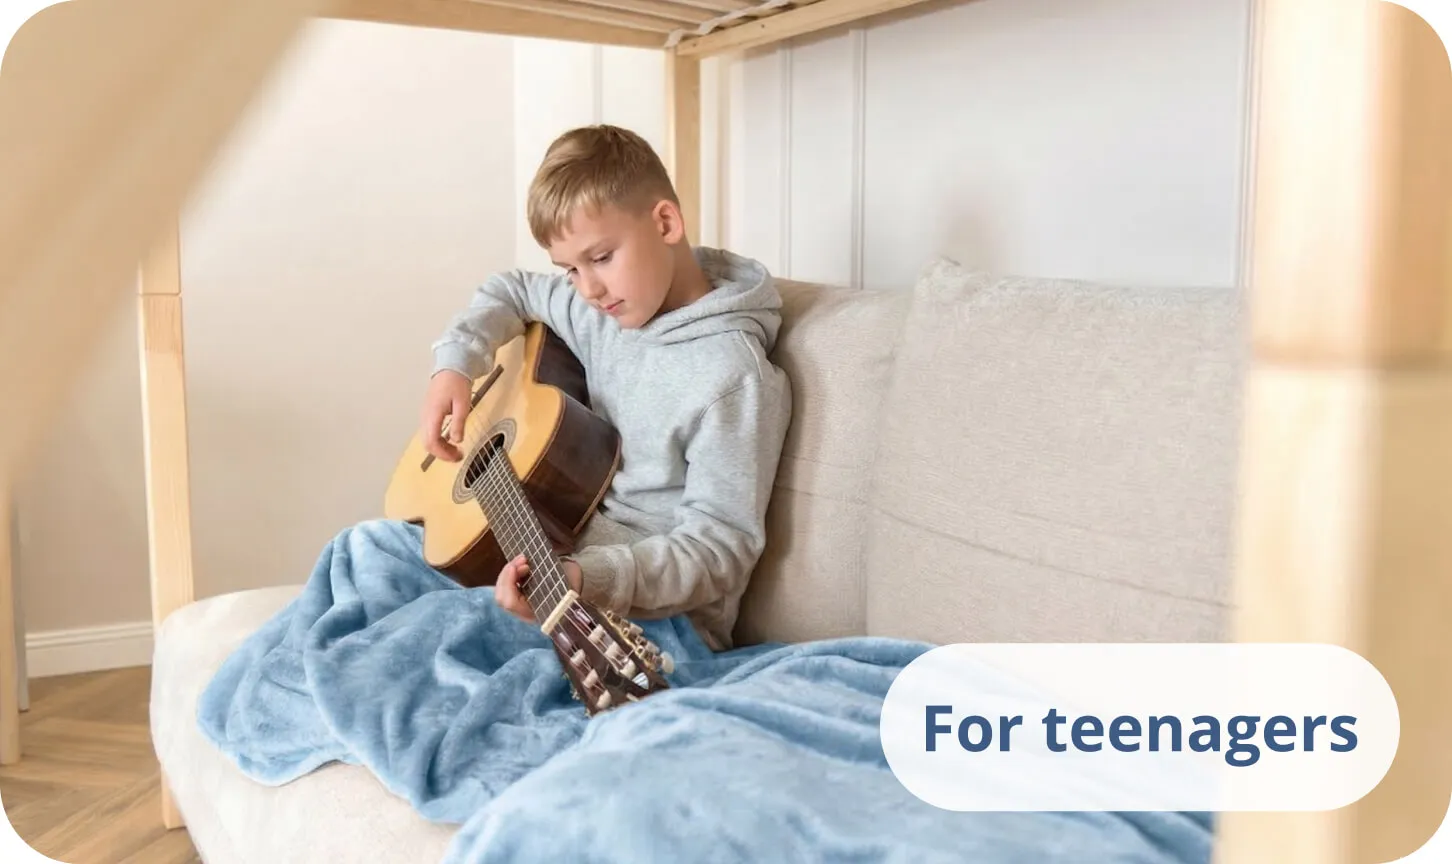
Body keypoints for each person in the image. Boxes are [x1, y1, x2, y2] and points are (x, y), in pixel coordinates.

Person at [420, 124, 793, 652]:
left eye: (600, 258)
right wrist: (454, 366)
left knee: (429, 636)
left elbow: (720, 548)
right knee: (365, 550)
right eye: (569, 270)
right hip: (555, 555)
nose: (589, 290)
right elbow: (511, 289)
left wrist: (585, 579)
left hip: (658, 624)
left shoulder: (734, 376)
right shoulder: (602, 311)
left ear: (665, 221)